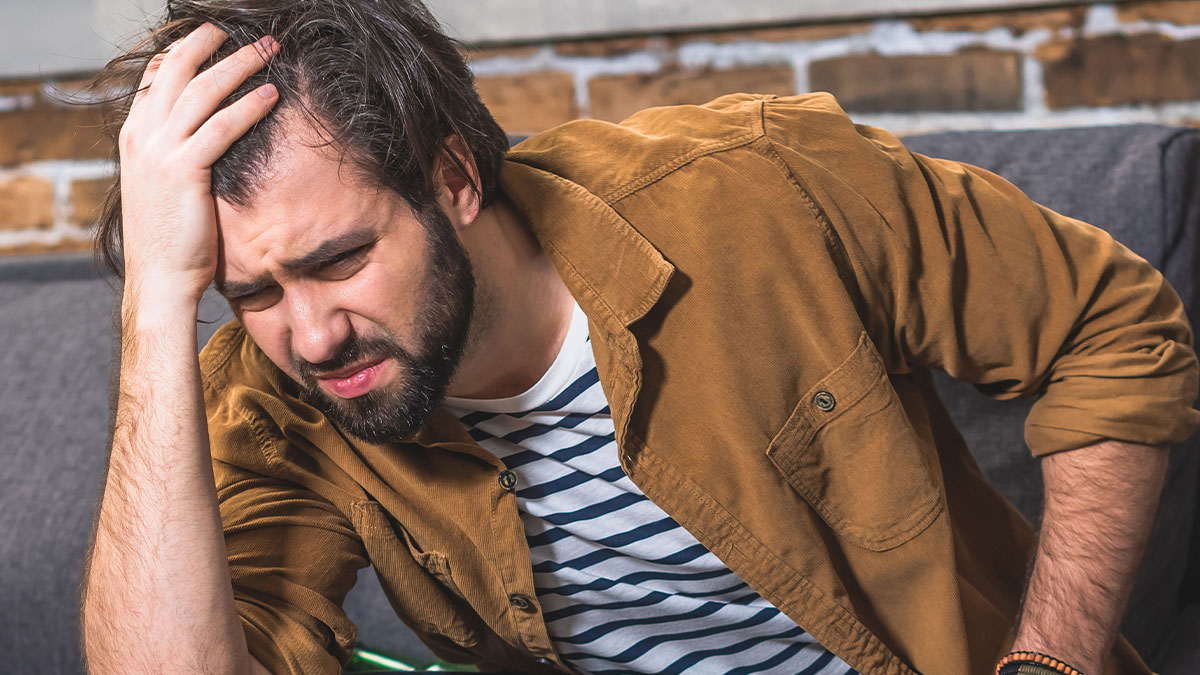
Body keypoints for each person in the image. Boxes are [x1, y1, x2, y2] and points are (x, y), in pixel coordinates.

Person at [79, 1, 1200, 674]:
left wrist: (1050, 660)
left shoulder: (760, 191)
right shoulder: (265, 395)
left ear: (455, 179)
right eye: (247, 291)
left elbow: (1111, 330)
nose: (312, 337)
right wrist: (156, 309)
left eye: (338, 260)